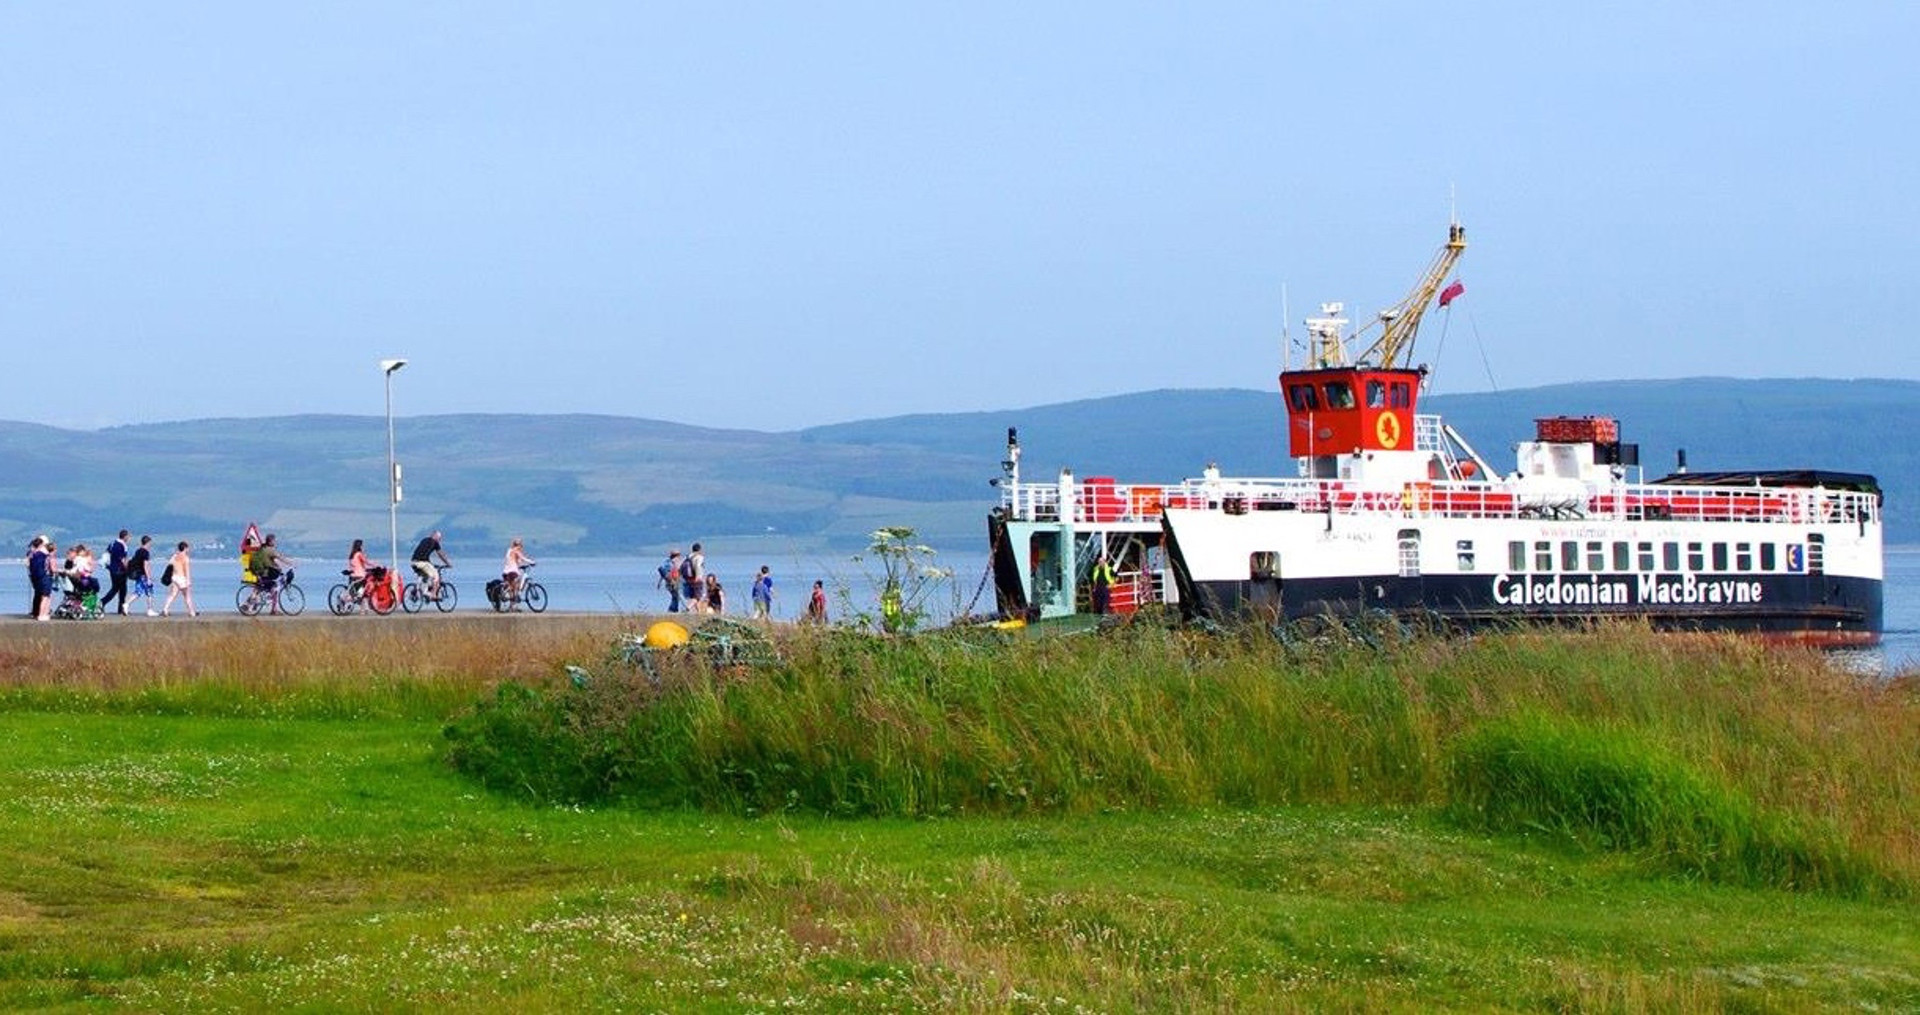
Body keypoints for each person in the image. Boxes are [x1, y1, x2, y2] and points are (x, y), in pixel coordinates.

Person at [410, 530, 451, 600]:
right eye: (439, 538)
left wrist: (431, 563)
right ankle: (433, 594)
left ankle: (418, 590)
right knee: (436, 577)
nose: (439, 540)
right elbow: (441, 555)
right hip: (422, 563)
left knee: (426, 575)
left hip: (413, 562)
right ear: (436, 537)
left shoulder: (424, 540)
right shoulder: (435, 542)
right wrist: (448, 563)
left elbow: (423, 553)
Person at [161, 541, 197, 617]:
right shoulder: (185, 558)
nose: (188, 549)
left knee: (172, 595)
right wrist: (188, 581)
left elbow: (170, 564)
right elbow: (186, 570)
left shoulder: (175, 556)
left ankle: (165, 609)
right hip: (182, 578)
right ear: (185, 548)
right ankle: (192, 612)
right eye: (187, 548)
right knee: (187, 596)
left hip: (174, 577)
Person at [102, 530, 131, 615]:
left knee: (116, 588)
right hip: (120, 570)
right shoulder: (122, 545)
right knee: (120, 590)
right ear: (125, 536)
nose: (129, 538)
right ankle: (103, 602)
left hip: (112, 569)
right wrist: (128, 569)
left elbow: (107, 554)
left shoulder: (112, 544)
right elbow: (123, 560)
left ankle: (120, 608)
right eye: (128, 536)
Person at [501, 537, 535, 607]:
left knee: (512, 588)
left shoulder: (509, 550)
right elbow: (523, 558)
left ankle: (511, 606)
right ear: (519, 545)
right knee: (516, 586)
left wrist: (519, 565)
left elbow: (514, 561)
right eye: (520, 545)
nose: (521, 547)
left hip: (505, 571)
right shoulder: (516, 551)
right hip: (512, 571)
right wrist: (532, 562)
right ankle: (514, 599)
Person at [128, 535, 156, 616]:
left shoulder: (138, 551)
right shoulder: (145, 552)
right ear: (147, 543)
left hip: (138, 574)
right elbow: (145, 565)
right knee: (149, 591)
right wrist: (149, 578)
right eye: (150, 543)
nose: (151, 545)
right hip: (143, 575)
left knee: (138, 592)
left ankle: (126, 604)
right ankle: (149, 610)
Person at [28, 537, 52, 621]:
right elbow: (40, 568)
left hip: (37, 577)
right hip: (43, 577)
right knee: (45, 596)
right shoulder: (40, 554)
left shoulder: (33, 554)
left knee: (41, 595)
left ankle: (40, 613)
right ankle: (42, 614)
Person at [681, 542, 706, 614]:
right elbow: (698, 566)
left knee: (693, 596)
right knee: (698, 597)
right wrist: (698, 577)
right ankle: (687, 608)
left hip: (688, 579)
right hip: (696, 579)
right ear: (699, 549)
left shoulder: (688, 557)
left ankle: (699, 613)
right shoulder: (699, 557)